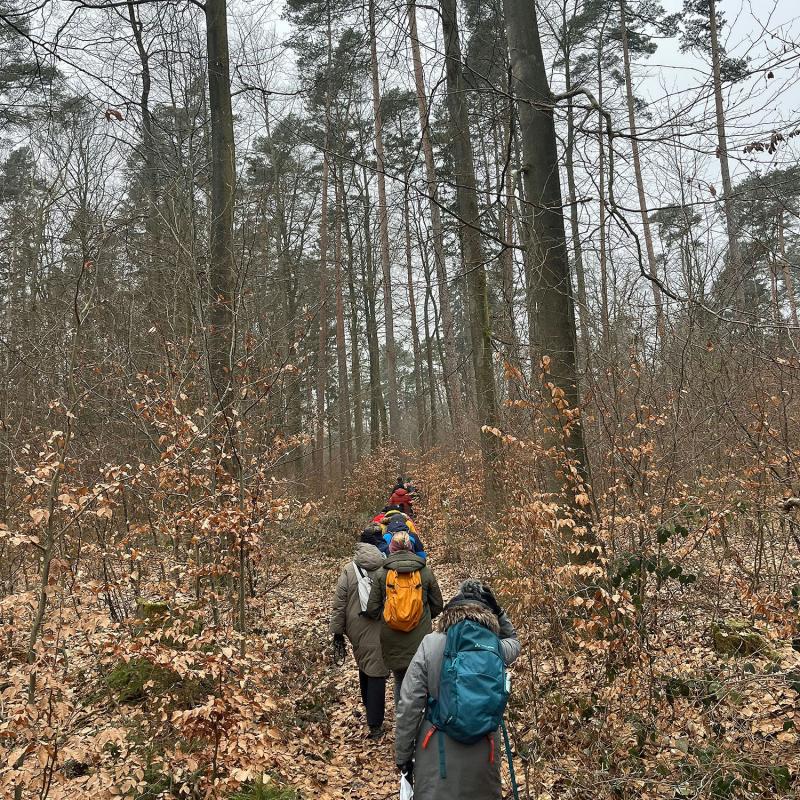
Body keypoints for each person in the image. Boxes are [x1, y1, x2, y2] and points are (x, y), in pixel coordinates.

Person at [394, 580, 521, 800]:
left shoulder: (431, 644)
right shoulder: (495, 647)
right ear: (487, 613)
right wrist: (499, 611)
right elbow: (514, 642)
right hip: (484, 750)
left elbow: (409, 704)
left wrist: (403, 755)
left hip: (437, 749)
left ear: (450, 613)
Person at [365, 531, 443, 701]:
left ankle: (403, 721)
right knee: (421, 679)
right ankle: (422, 719)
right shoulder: (425, 572)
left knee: (400, 679)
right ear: (410, 547)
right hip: (420, 637)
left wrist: (387, 617)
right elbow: (438, 604)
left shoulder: (382, 574)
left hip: (392, 637)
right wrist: (423, 617)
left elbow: (372, 608)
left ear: (391, 549)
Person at [330, 528, 390, 739]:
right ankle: (374, 723)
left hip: (356, 626)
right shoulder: (386, 567)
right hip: (381, 623)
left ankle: (372, 715)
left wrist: (337, 632)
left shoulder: (349, 569)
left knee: (367, 665)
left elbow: (339, 603)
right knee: (376, 669)